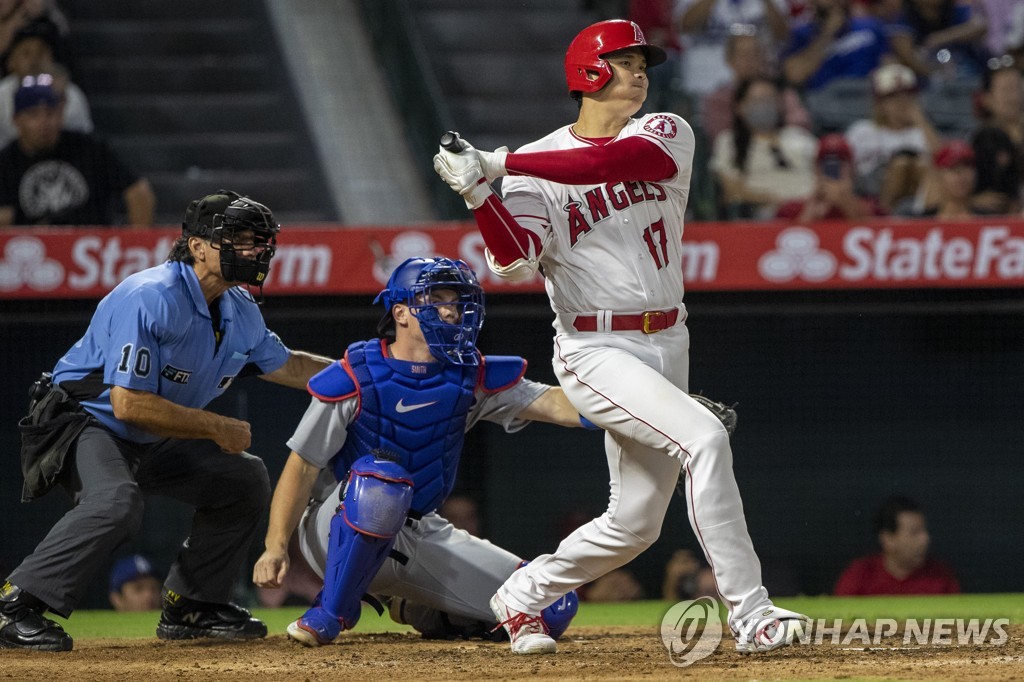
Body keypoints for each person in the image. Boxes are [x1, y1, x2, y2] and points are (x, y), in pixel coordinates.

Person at [432, 19, 809, 656]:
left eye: (642, 62)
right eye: (625, 61)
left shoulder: (664, 131)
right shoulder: (531, 173)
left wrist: (494, 162)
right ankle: (753, 614)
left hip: (670, 338)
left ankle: (520, 595)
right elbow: (515, 258)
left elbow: (614, 160)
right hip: (594, 349)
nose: (639, 72)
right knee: (705, 438)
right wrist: (477, 193)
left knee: (635, 523)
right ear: (588, 71)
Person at [0, 190, 334, 651]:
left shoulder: (240, 310)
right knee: (116, 501)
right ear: (198, 246)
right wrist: (216, 426)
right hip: (83, 421)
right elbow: (128, 404)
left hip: (150, 434)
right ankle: (15, 606)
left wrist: (371, 373)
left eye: (258, 242)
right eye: (237, 239)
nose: (254, 251)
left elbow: (293, 366)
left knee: (243, 478)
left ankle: (192, 606)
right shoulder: (150, 296)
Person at [253, 256, 584, 649]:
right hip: (335, 527)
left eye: (456, 301)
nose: (450, 309)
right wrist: (275, 546)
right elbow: (302, 466)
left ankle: (418, 609)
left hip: (416, 530)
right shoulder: (358, 373)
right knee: (381, 484)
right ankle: (331, 612)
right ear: (401, 312)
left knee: (550, 603)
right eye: (436, 298)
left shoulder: (470, 375)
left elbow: (556, 405)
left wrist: (636, 405)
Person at [0, 74, 153, 226]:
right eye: (33, 115)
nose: (44, 122)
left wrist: (134, 243)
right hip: (31, 247)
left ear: (60, 115)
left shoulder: (89, 148)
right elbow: (4, 217)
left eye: (50, 113)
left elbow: (138, 192)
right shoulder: (6, 161)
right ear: (16, 120)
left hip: (91, 244)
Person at [709, 75, 818, 219]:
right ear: (740, 106)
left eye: (769, 100)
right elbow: (732, 192)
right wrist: (776, 200)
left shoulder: (801, 137)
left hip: (815, 209)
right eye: (757, 101)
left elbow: (823, 176)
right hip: (766, 215)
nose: (764, 106)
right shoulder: (728, 141)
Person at [845, 63, 942, 211]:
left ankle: (922, 218)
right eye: (892, 96)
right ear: (879, 103)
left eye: (908, 95)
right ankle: (883, 217)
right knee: (901, 164)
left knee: (920, 165)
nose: (902, 102)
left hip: (917, 199)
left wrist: (920, 120)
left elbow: (944, 160)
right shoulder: (861, 131)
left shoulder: (922, 132)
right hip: (871, 195)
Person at [701, 26, 811, 142]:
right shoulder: (718, 99)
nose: (750, 60)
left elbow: (801, 124)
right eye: (743, 54)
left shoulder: (782, 92)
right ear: (729, 59)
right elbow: (720, 135)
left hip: (778, 150)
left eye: (756, 53)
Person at [834, 496, 960, 595]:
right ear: (888, 539)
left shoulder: (941, 577)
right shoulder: (860, 576)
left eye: (924, 531)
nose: (925, 539)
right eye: (915, 532)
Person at [0, 18, 91, 147]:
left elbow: (83, 146)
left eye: (41, 52)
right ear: (11, 62)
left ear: (52, 57)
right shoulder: (1, 95)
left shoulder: (71, 94)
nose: (34, 61)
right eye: (26, 53)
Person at [781, 0, 889, 91]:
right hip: (826, 105)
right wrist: (828, 34)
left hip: (867, 94)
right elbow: (795, 75)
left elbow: (889, 64)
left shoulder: (870, 27)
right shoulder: (802, 35)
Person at [776, 133, 884, 220]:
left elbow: (879, 236)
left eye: (840, 164)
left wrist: (848, 206)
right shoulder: (790, 209)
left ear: (852, 169)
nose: (833, 171)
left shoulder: (872, 208)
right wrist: (809, 214)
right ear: (816, 170)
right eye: (826, 165)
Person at [970, 58, 1023, 215]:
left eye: (1018, 89)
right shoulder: (979, 139)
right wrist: (971, 200)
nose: (1014, 97)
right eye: (1006, 90)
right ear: (987, 98)